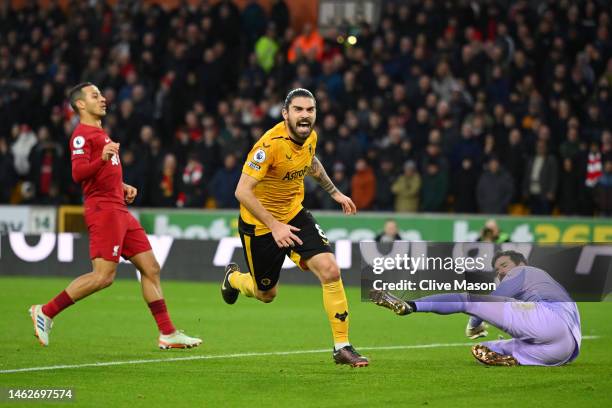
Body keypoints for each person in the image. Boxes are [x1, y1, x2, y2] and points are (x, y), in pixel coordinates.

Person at [29, 83, 201, 349]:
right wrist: (101, 158)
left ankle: (167, 332)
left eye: (101, 94)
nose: (103, 99)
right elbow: (78, 174)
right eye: (95, 96)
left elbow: (100, 176)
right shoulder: (81, 135)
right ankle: (46, 311)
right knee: (103, 276)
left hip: (118, 207)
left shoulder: (100, 133)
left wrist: (122, 186)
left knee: (151, 268)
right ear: (80, 105)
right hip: (104, 210)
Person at [220, 88, 368, 367]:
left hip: (294, 215)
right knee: (267, 295)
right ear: (285, 113)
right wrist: (274, 226)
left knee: (330, 269)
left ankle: (342, 346)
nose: (305, 115)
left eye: (310, 110)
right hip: (261, 226)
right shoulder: (269, 146)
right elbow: (242, 191)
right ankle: (234, 279)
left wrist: (334, 192)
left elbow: (311, 162)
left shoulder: (310, 136)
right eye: (298, 110)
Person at [370, 250, 581, 367]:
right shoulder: (549, 283)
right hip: (564, 350)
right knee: (490, 348)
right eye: (497, 269)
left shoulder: (524, 270)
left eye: (504, 265)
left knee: (467, 300)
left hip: (549, 321)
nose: (500, 272)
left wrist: (473, 324)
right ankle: (507, 357)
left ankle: (410, 305)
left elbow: (489, 301)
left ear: (522, 262)